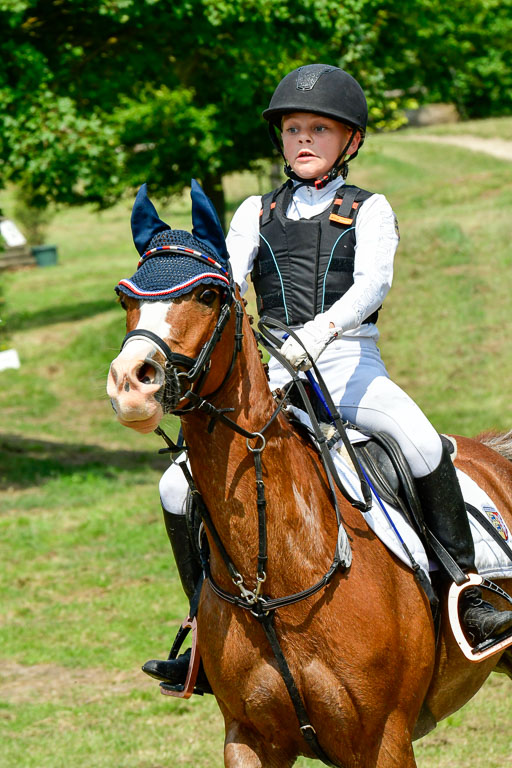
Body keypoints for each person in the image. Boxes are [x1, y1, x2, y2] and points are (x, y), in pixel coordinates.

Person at [144, 63, 512, 687]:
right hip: (272, 374)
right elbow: (228, 281)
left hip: (350, 366)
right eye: (293, 129)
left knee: (422, 445)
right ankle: (205, 629)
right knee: (176, 487)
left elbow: (373, 284)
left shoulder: (370, 208)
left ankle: (469, 593)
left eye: (319, 129)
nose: (304, 139)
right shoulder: (254, 211)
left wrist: (317, 333)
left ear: (350, 140)